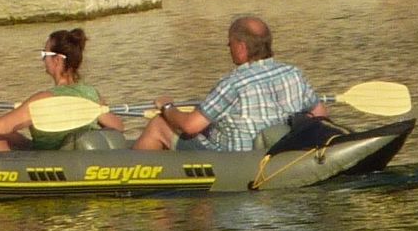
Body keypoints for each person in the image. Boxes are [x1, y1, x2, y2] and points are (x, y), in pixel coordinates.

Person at [132, 14, 328, 153]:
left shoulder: (233, 84)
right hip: (278, 150)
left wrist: (167, 107)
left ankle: (132, 176)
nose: (228, 47)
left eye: (230, 43)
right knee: (210, 125)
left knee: (159, 124)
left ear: (241, 48)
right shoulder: (293, 74)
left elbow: (190, 126)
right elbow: (320, 114)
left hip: (232, 159)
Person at [0, 26, 125, 153]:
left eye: (44, 55)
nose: (42, 60)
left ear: (57, 60)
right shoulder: (91, 94)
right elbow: (117, 126)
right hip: (60, 151)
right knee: (12, 135)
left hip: (49, 160)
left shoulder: (43, 99)